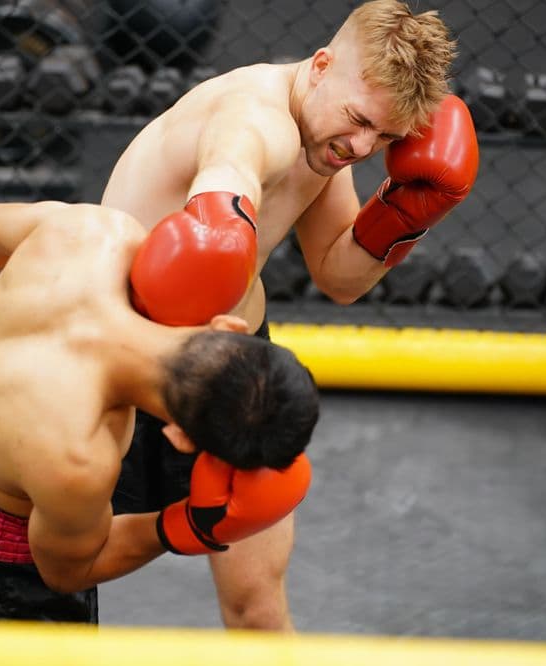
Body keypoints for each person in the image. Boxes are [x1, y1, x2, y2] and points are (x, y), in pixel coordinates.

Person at [100, 0, 479, 630]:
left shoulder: (326, 141)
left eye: (384, 138)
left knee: (257, 604)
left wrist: (408, 213)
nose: (362, 147)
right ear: (322, 64)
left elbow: (339, 276)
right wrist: (221, 209)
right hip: (121, 361)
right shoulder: (255, 115)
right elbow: (232, 164)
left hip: (228, 362)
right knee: (50, 577)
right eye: (359, 121)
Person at [0, 201, 319, 621]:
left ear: (228, 327)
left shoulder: (102, 233)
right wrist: (189, 526)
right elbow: (68, 570)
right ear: (180, 437)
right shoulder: (78, 457)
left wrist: (13, 293)